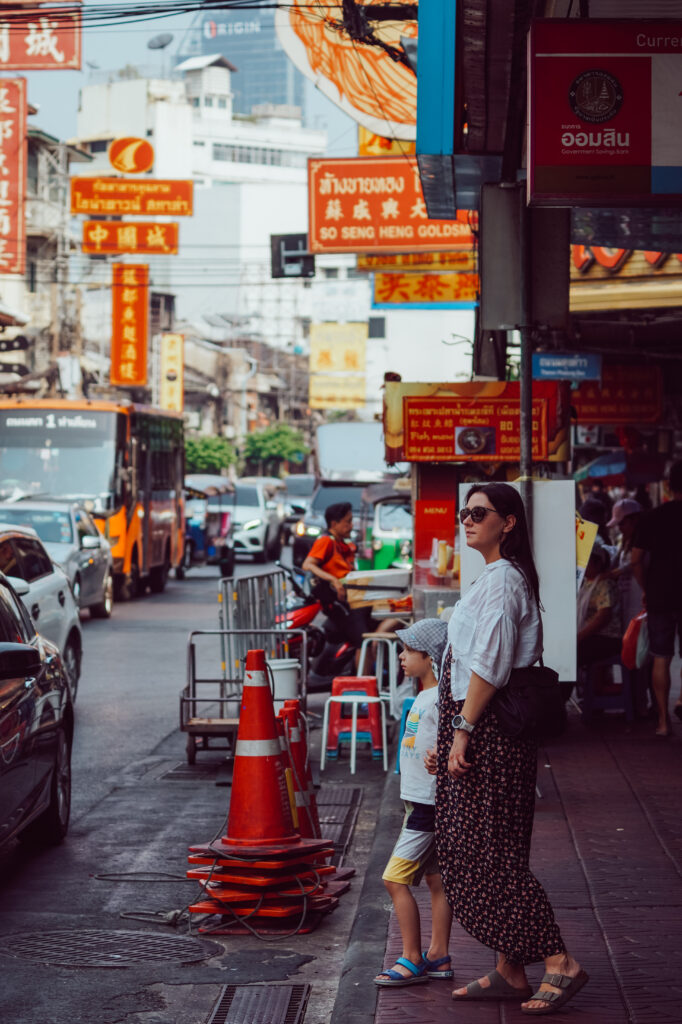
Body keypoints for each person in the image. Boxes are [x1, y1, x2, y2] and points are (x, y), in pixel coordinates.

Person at [437, 483, 587, 1015]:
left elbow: (490, 664)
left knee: (488, 853)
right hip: (477, 726)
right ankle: (510, 968)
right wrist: (448, 729)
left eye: (479, 513)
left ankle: (557, 959)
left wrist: (461, 729)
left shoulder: (502, 582)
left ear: (509, 523)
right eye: (465, 512)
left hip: (490, 731)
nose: (467, 520)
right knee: (481, 847)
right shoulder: (490, 577)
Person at [374, 619, 453, 987]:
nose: (402, 657)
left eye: (409, 651)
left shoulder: (440, 699)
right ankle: (438, 956)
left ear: (431, 658)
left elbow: (453, 741)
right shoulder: (424, 697)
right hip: (421, 802)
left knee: (393, 879)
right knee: (437, 880)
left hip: (427, 807)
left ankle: (411, 957)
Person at [301, 501, 400, 666]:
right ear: (334, 524)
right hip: (344, 606)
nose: (351, 525)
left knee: (394, 614)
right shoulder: (325, 541)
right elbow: (308, 564)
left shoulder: (342, 544)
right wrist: (333, 580)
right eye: (347, 521)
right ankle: (363, 684)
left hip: (356, 600)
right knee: (363, 642)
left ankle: (374, 651)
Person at [630, 460, 682, 737]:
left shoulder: (652, 518)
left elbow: (635, 560)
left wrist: (647, 587)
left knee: (661, 658)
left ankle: (663, 723)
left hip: (660, 596)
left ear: (668, 486)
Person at [576, 543, 622, 669]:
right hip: (592, 635)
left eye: (587, 561)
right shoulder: (585, 583)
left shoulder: (605, 584)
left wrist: (578, 637)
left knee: (573, 654)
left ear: (598, 563)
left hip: (608, 638)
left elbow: (603, 618)